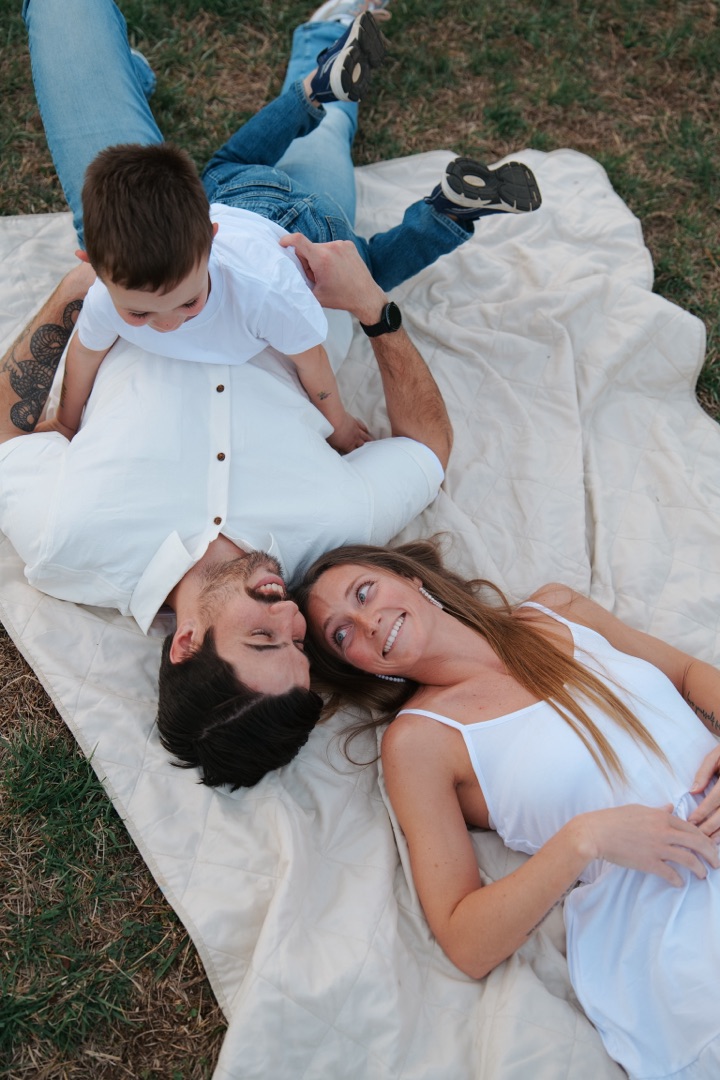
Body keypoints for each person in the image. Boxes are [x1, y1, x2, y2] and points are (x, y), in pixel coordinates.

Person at [295, 540, 720, 1079]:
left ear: (409, 577)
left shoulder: (557, 611)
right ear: (352, 664)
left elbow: (685, 673)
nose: (368, 622)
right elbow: (464, 940)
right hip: (675, 903)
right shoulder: (421, 742)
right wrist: (583, 840)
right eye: (342, 634)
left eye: (364, 593)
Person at [31, 7, 540, 451]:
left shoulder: (261, 293)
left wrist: (338, 424)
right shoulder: (108, 295)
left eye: (188, 303)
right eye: (140, 312)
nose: (168, 324)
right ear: (91, 267)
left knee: (364, 270)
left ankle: (447, 214)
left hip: (304, 240)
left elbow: (312, 363)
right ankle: (315, 89)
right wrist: (66, 422)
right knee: (231, 161)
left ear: (210, 240)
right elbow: (82, 354)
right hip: (239, 199)